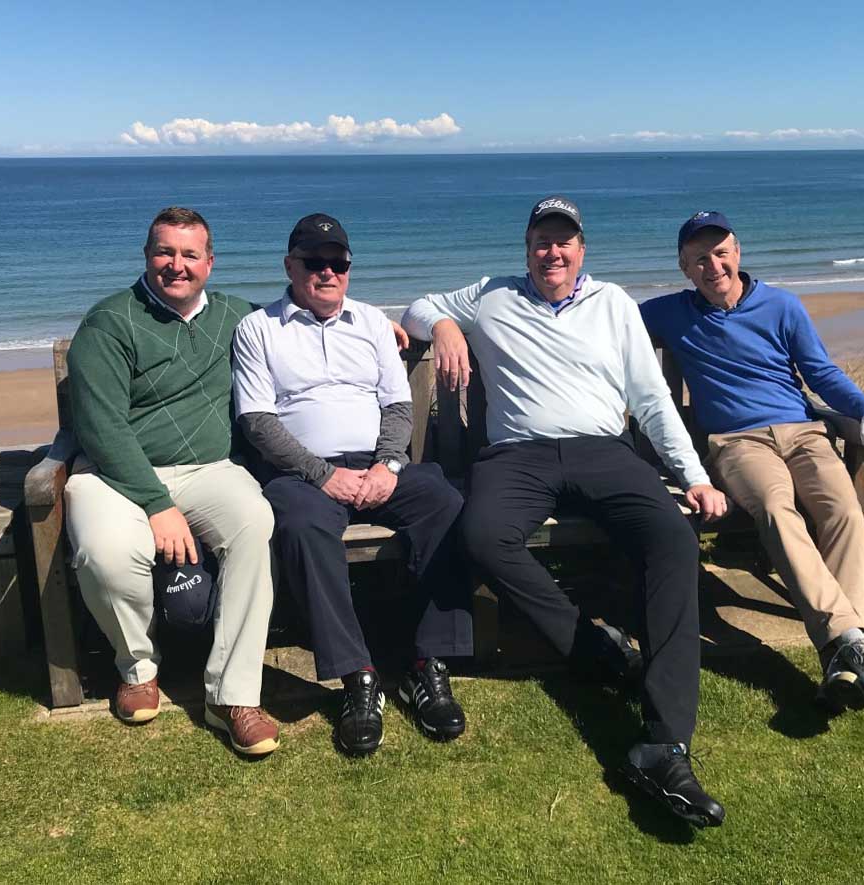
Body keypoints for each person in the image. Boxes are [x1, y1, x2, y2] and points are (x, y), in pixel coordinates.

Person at [402, 196, 728, 829]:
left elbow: (651, 397)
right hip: (516, 457)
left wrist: (693, 476)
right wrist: (443, 325)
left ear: (583, 250)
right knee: (482, 535)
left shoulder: (613, 305)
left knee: (673, 540)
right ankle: (592, 646)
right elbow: (418, 309)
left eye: (565, 242)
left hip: (605, 451)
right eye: (542, 242)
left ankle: (664, 744)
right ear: (527, 251)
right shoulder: (493, 295)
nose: (554, 252)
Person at [639, 211, 864, 714]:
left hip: (805, 432)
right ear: (684, 268)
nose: (712, 265)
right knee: (778, 510)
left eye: (720, 253)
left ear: (738, 253)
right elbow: (606, 319)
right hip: (737, 443)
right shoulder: (670, 313)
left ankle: (840, 654)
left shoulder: (782, 305)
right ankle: (850, 637)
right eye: (699, 259)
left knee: (843, 512)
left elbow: (820, 371)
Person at [232, 213, 472, 758]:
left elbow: (396, 403)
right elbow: (259, 422)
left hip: (377, 463)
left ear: (348, 268)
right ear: (290, 266)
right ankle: (357, 677)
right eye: (313, 263)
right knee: (299, 524)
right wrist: (322, 474)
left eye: (337, 263)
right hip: (302, 471)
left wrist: (387, 465)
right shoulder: (259, 328)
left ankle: (424, 664)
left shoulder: (369, 322)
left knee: (445, 503)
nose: (326, 272)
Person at [65, 207, 279, 757]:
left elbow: (296, 322)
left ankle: (232, 696)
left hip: (209, 471)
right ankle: (137, 666)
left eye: (190, 255)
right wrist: (157, 504)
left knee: (255, 523)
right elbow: (101, 426)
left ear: (210, 262)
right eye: (165, 252)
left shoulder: (238, 315)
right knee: (105, 552)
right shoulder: (109, 323)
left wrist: (396, 324)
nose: (176, 266)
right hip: (116, 475)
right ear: (147, 256)